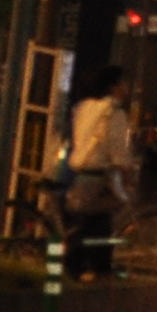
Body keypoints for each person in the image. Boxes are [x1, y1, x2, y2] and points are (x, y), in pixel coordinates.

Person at [59, 65, 136, 278]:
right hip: (98, 175)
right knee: (116, 207)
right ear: (114, 86)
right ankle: (81, 265)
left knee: (96, 218)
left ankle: (96, 266)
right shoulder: (115, 113)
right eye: (123, 82)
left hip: (78, 173)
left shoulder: (83, 107)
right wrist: (127, 172)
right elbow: (117, 149)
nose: (126, 87)